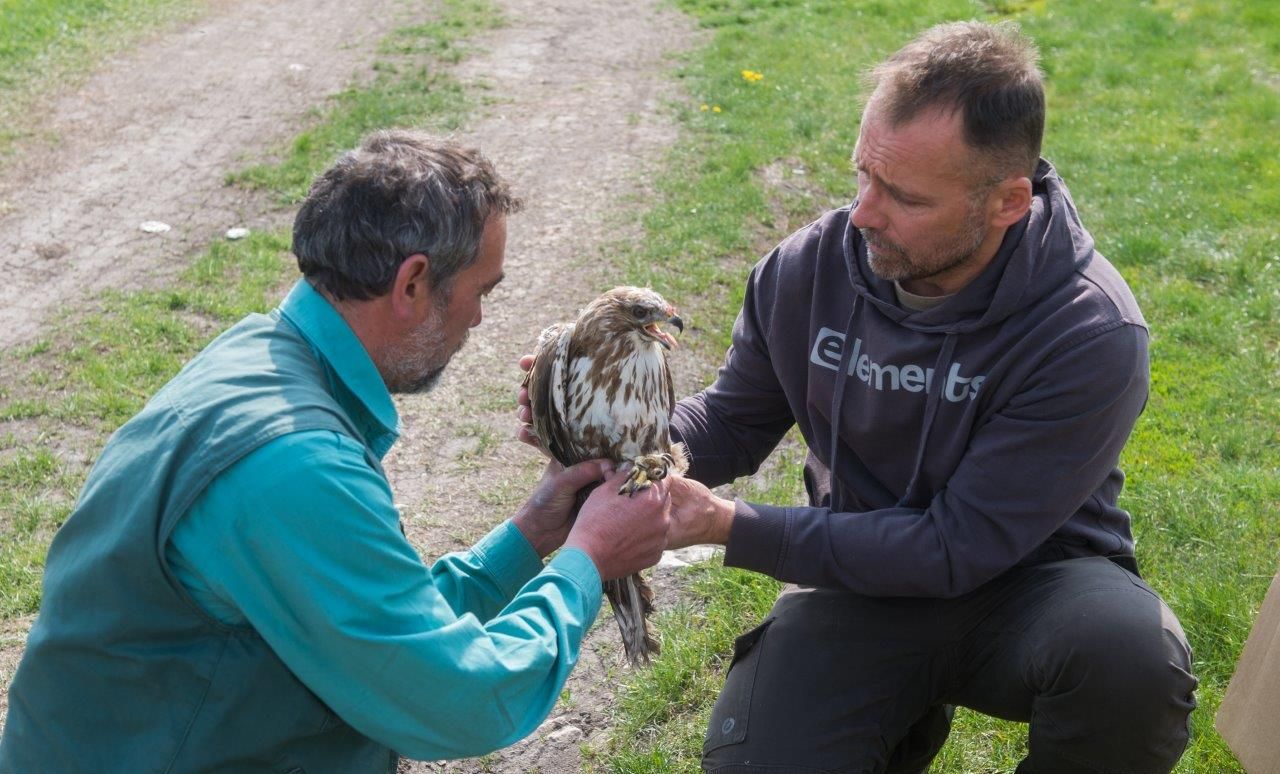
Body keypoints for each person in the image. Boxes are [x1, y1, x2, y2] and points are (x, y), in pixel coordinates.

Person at [0, 130, 671, 772]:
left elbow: (374, 626)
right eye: (480, 292)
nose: (478, 320)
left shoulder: (257, 363)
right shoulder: (291, 463)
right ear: (411, 285)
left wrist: (534, 533)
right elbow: (462, 701)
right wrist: (589, 561)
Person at [655, 21, 1195, 774]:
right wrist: (614, 434)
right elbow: (732, 422)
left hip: (1035, 586)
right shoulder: (811, 268)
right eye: (863, 176)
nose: (865, 213)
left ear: (1008, 202)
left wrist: (726, 526)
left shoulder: (1089, 330)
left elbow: (955, 547)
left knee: (1132, 659)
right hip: (856, 580)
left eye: (904, 196)